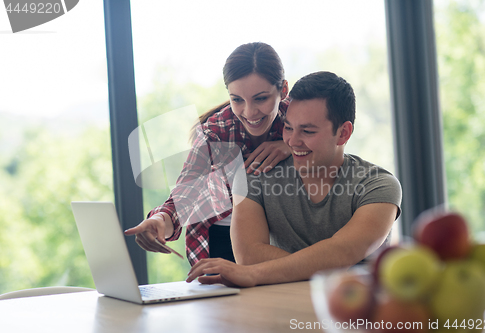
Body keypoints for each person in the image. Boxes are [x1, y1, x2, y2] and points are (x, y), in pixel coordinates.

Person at [185, 71, 402, 287]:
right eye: (288, 128)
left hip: (359, 316)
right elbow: (249, 256)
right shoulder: (254, 177)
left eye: (307, 131)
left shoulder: (378, 186)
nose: (292, 141)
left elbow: (342, 251)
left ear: (343, 133)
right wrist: (326, 265)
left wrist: (256, 273)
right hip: (283, 311)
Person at [125, 42, 291, 266]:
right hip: (220, 245)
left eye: (260, 98)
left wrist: (291, 145)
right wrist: (160, 220)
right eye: (237, 100)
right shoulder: (217, 130)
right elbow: (186, 191)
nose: (250, 112)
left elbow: (334, 149)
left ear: (283, 90)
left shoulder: (299, 119)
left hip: (283, 243)